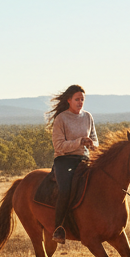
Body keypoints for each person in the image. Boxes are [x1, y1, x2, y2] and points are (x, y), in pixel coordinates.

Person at [48, 84, 98, 242]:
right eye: (77, 99)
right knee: (65, 189)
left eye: (82, 99)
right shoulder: (61, 118)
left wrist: (91, 144)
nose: (80, 102)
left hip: (84, 158)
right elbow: (59, 146)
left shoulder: (88, 117)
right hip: (64, 159)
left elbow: (96, 141)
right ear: (69, 100)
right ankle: (58, 229)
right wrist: (79, 142)